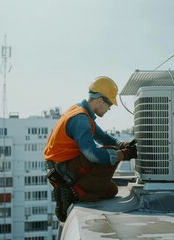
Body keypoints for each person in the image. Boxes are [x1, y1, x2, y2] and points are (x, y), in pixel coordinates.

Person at [44, 76, 137, 222]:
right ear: (100, 101)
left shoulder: (82, 112)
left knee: (111, 191)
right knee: (107, 154)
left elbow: (103, 137)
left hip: (63, 165)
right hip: (62, 170)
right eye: (109, 105)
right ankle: (72, 193)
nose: (109, 109)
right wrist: (124, 154)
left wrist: (123, 145)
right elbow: (92, 155)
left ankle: (76, 190)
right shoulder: (80, 118)